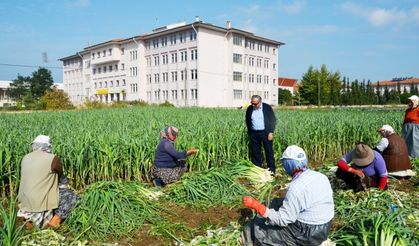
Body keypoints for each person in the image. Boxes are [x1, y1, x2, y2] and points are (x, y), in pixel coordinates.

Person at [241, 145, 334, 246]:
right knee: (276, 202)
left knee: (262, 233)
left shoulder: (296, 187)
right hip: (326, 225)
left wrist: (257, 206)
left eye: (284, 163)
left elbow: (283, 220)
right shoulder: (320, 176)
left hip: (307, 233)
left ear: (289, 164)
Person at [17, 135, 79, 229]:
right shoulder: (53, 159)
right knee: (72, 197)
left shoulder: (25, 158)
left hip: (24, 201)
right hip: (39, 201)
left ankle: (28, 220)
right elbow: (61, 179)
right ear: (48, 146)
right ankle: (54, 222)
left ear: (34, 146)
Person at [245, 95, 277, 174]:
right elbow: (247, 120)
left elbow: (273, 120)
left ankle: (271, 170)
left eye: (255, 104)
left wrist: (271, 132)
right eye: (252, 103)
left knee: (268, 151)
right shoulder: (249, 109)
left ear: (260, 102)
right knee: (255, 152)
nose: (253, 105)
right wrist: (250, 132)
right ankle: (258, 169)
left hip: (265, 133)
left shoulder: (267, 108)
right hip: (254, 133)